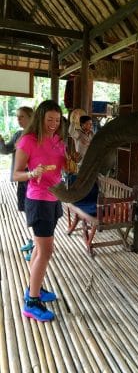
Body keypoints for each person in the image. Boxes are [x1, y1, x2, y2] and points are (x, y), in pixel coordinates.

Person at [13, 100, 66, 322]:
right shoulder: (28, 141)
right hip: (38, 200)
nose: (53, 124)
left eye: (57, 120)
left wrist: (71, 165)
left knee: (39, 248)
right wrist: (32, 173)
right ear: (40, 118)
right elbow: (16, 174)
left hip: (55, 197)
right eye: (49, 120)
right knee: (46, 251)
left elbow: (62, 166)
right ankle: (32, 302)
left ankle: (34, 288)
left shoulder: (58, 140)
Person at [0, 106, 33, 211]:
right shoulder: (18, 134)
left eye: (21, 117)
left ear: (31, 117)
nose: (18, 119)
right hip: (21, 174)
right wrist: (0, 141)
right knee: (23, 204)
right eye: (17, 117)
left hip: (34, 175)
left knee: (33, 203)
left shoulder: (38, 135)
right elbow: (5, 150)